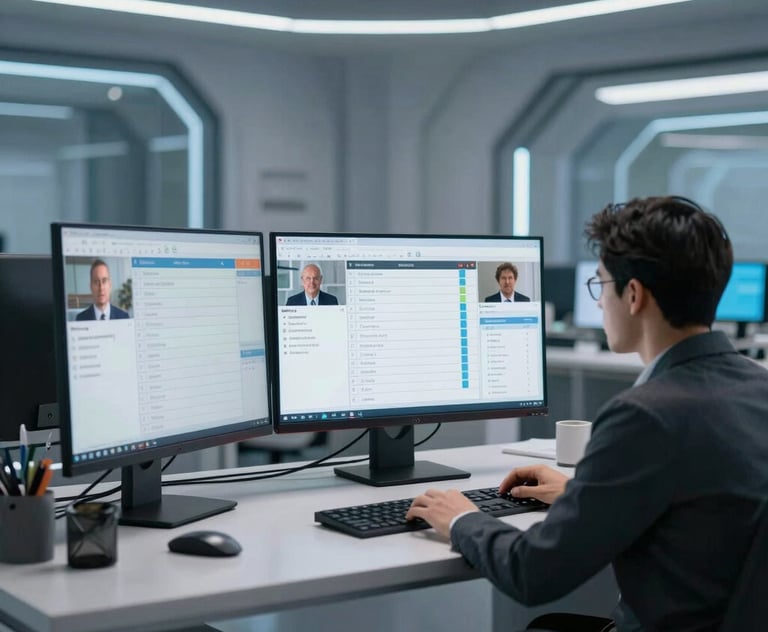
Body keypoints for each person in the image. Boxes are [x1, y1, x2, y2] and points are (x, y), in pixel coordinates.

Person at [407, 196, 768, 631]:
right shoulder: (756, 389)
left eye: (600, 285)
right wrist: (588, 492)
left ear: (633, 295)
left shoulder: (644, 415)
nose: (599, 303)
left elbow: (533, 573)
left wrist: (462, 518)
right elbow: (704, 507)